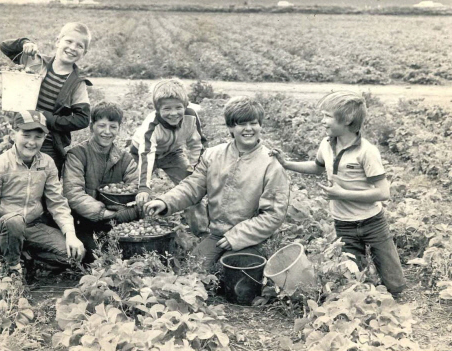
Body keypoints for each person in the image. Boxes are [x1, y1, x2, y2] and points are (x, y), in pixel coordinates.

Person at [271, 90, 406, 297]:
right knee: (352, 277)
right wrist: (287, 164)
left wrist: (342, 193)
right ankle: (364, 299)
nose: (322, 121)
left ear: (347, 120)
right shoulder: (326, 144)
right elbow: (317, 167)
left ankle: (395, 299)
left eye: (327, 116)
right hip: (343, 222)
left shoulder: (366, 151)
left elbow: (383, 192)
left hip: (372, 221)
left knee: (394, 281)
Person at [144, 96, 290, 270]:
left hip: (253, 236)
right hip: (217, 234)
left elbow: (273, 214)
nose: (248, 129)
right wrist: (165, 201)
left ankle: (247, 259)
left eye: (253, 123)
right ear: (230, 127)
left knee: (235, 272)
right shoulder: (213, 155)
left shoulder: (271, 164)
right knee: (192, 270)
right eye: (241, 124)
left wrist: (236, 237)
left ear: (260, 125)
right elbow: (193, 186)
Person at [0, 110, 85, 278]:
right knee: (14, 221)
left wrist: (70, 234)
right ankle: (13, 267)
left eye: (38, 137)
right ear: (13, 135)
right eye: (26, 135)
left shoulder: (47, 163)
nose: (32, 142)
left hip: (32, 226)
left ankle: (25, 256)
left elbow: (57, 202)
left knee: (73, 256)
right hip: (3, 229)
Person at [0, 22, 92, 174]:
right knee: (14, 178)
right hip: (23, 136)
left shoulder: (77, 83)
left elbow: (82, 119)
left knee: (44, 184)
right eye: (68, 41)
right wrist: (25, 43)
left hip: (49, 144)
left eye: (79, 46)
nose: (72, 48)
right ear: (58, 41)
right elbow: (5, 47)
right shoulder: (37, 62)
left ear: (85, 52)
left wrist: (48, 118)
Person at [63, 102, 140, 263]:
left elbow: (135, 190)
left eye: (113, 126)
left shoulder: (125, 159)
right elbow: (73, 194)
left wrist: (123, 213)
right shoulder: (78, 155)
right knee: (98, 257)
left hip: (118, 220)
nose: (107, 132)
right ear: (92, 127)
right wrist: (107, 214)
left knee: (131, 256)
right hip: (83, 221)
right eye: (102, 126)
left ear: (119, 128)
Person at [130, 78, 207, 209]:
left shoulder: (191, 116)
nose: (173, 113)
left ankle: (198, 226)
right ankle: (134, 218)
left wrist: (194, 169)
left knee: (192, 188)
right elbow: (146, 154)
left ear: (185, 105)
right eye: (167, 108)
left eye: (178, 107)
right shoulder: (151, 126)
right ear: (157, 109)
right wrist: (143, 187)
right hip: (141, 155)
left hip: (172, 154)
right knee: (133, 189)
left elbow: (197, 144)